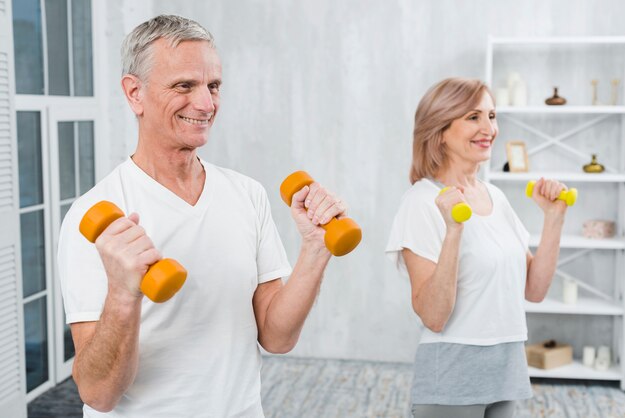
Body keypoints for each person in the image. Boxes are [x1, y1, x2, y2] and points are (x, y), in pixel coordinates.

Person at [57, 15, 350, 417]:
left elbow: (278, 337)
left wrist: (316, 250)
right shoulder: (93, 218)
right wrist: (123, 294)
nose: (207, 104)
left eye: (213, 86)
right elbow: (98, 393)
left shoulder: (247, 194)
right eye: (184, 86)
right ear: (134, 94)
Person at [386, 78, 568, 418]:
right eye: (473, 117)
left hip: (507, 363)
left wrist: (553, 219)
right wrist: (454, 229)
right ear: (440, 130)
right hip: (454, 370)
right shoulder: (421, 202)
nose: (489, 128)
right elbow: (434, 316)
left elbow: (534, 289)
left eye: (492, 115)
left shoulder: (494, 196)